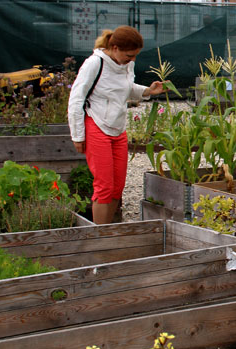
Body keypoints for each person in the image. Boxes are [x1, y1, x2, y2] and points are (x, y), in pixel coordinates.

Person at [68, 26, 165, 224]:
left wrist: (147, 91)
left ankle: (109, 230)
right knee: (104, 186)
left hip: (118, 128)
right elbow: (76, 100)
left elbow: (125, 89)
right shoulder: (94, 64)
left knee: (117, 187)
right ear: (114, 48)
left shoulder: (126, 65)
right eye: (129, 55)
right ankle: (101, 237)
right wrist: (78, 136)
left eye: (135, 56)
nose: (133, 60)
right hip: (97, 125)